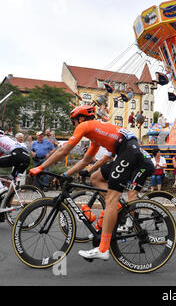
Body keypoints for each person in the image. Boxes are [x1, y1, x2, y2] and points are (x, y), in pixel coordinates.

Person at [28, 105, 151, 261]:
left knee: (111, 199)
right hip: (127, 150)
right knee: (96, 178)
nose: (74, 126)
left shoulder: (85, 125)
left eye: (74, 122)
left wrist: (41, 167)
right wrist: (65, 174)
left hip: (128, 150)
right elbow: (85, 160)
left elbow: (64, 150)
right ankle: (117, 208)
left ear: (80, 119)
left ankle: (103, 248)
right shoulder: (95, 135)